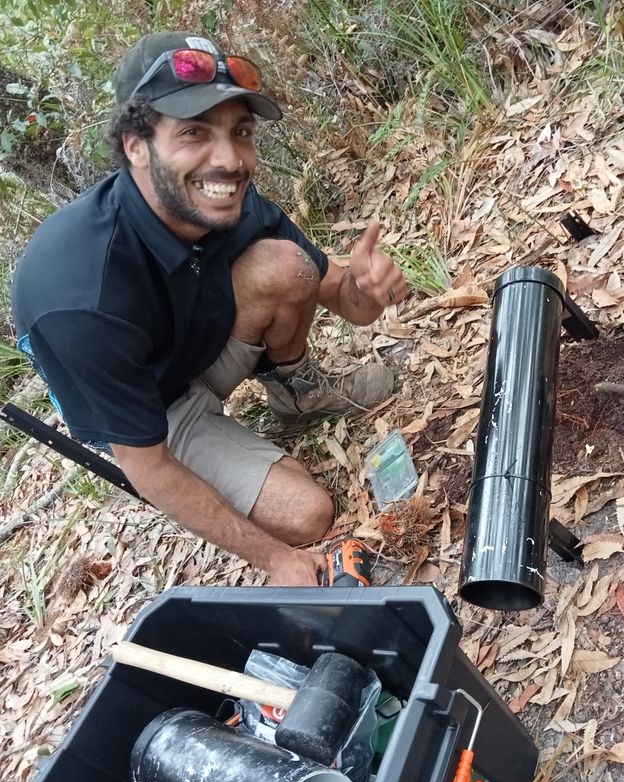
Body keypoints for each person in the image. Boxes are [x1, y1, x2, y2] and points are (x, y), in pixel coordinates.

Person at [11, 32, 408, 586]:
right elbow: (147, 467)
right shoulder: (79, 292)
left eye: (240, 132)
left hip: (199, 343)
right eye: (194, 132)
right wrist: (275, 559)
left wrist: (372, 289)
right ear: (135, 145)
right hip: (157, 414)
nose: (229, 160)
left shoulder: (230, 204)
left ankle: (297, 394)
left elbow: (346, 300)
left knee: (287, 264)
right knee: (308, 515)